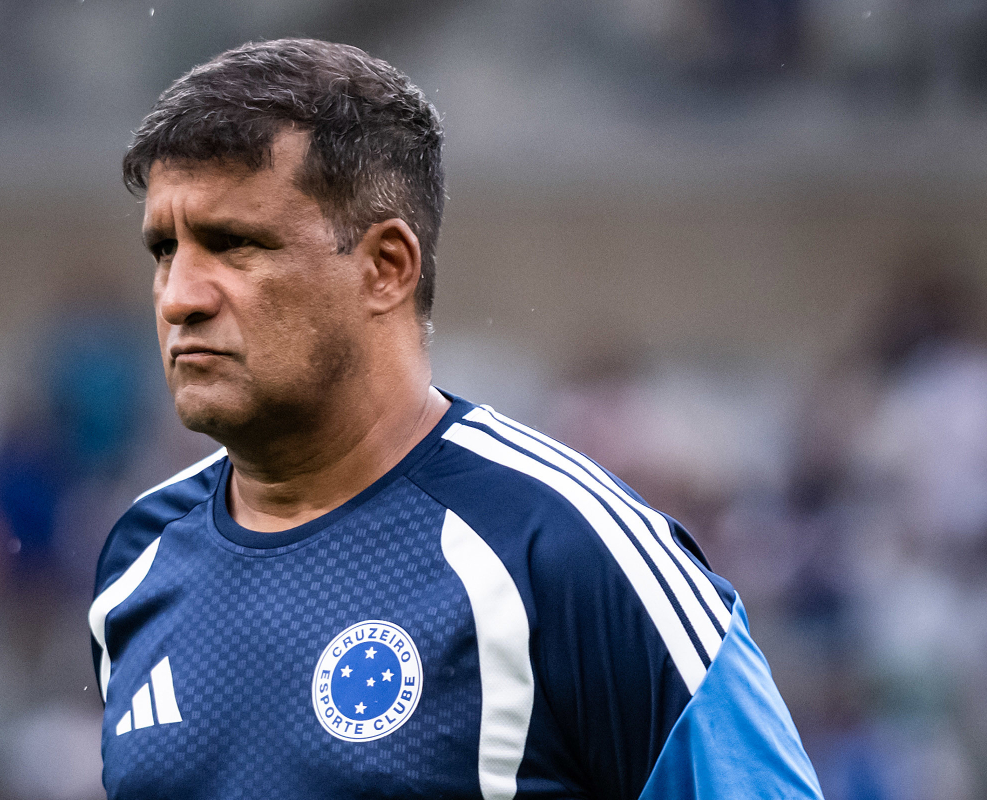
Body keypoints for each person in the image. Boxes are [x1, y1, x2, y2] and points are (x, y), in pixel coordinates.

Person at [89, 38, 823, 800]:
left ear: (386, 267)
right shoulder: (138, 562)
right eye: (164, 250)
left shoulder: (564, 551)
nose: (180, 297)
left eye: (235, 245)